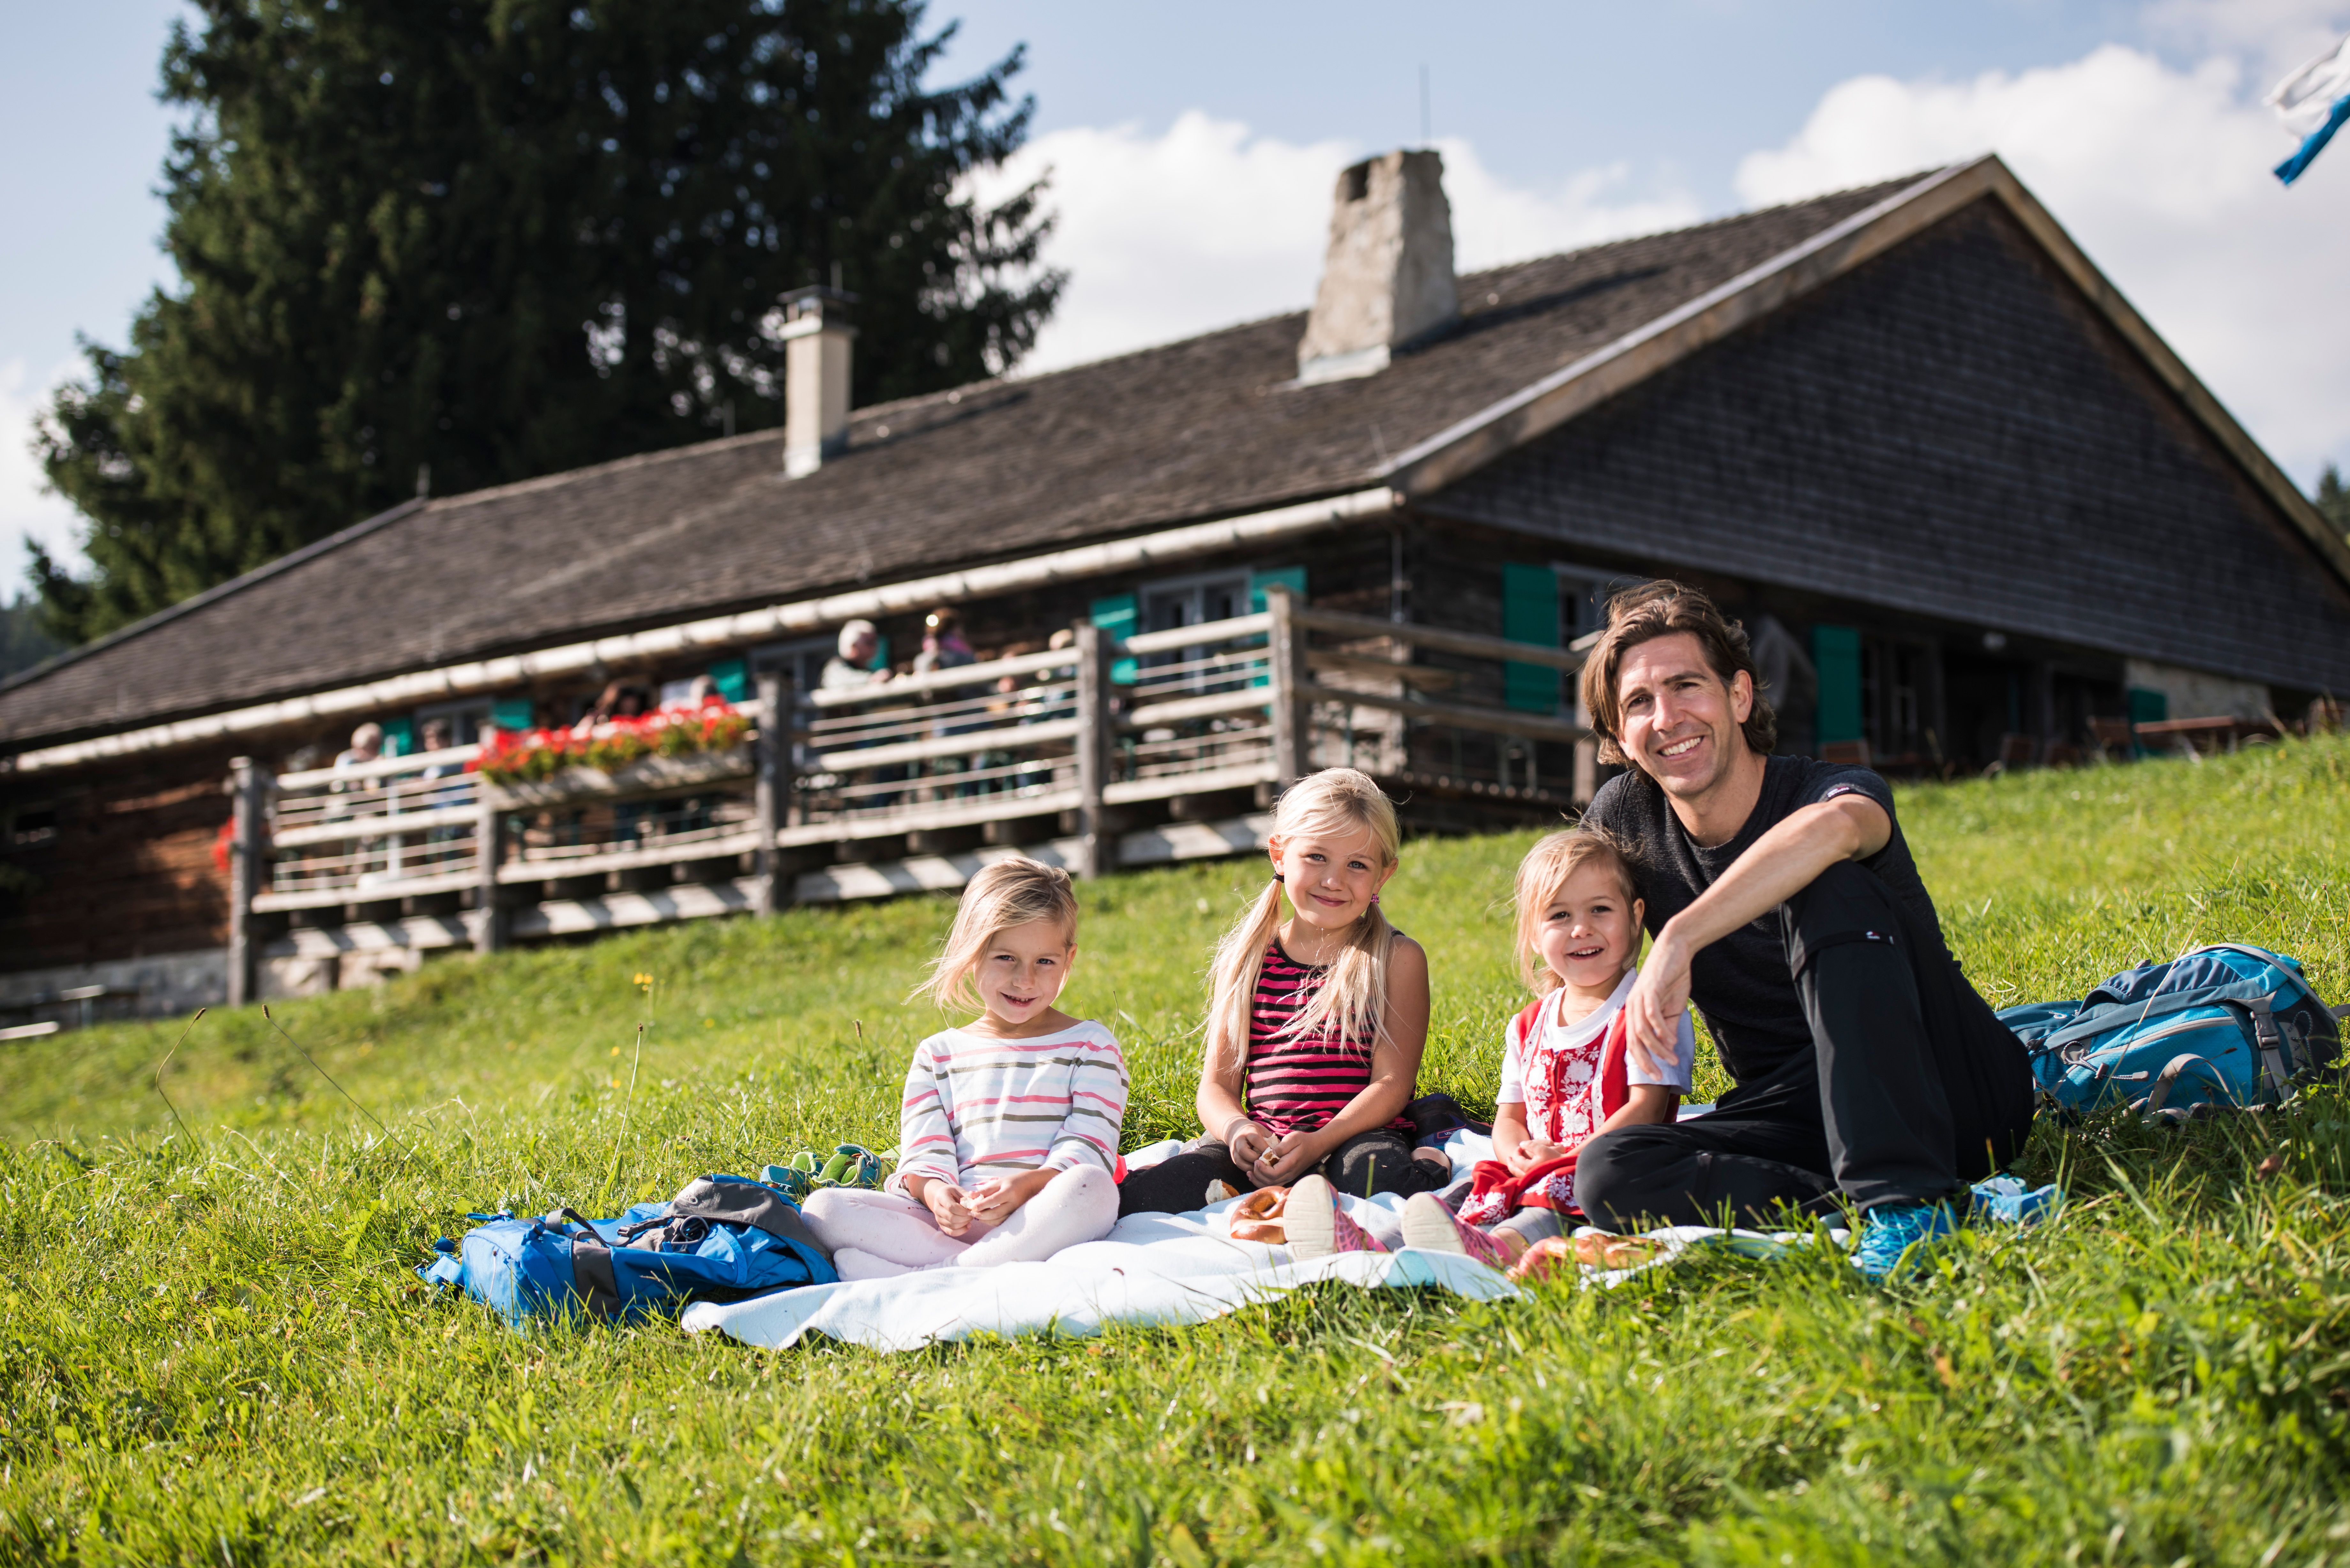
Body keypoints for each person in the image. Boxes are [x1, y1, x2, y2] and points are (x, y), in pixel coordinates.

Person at [1568, 581, 2032, 1279]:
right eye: (1638, 702)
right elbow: (1579, 931)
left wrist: (1681, 936)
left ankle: (1905, 1200)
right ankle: (1884, 1206)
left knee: (1831, 879)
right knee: (1607, 1173)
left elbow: (1840, 831)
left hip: (1946, 1081)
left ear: (1739, 696)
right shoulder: (1627, 815)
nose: (1665, 717)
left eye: (1685, 685)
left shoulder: (1830, 790)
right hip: (1796, 1106)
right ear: (1620, 736)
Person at [1115, 767, 1450, 1239]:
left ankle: (1433, 1156)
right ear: (1279, 854)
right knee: (1144, 1198)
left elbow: (1393, 1084)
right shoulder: (1249, 958)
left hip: (1351, 1136)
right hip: (1264, 1142)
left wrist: (1319, 1144)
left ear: (1384, 873)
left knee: (1380, 1181)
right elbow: (1216, 1086)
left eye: (1357, 865)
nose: (1334, 880)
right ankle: (1265, 1196)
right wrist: (1236, 1132)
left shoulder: (1395, 958)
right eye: (1316, 857)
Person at [799, 857, 1128, 1278]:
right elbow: (924, 1154)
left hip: (1045, 1217)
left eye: (1045, 962)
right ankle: (965, 1264)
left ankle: (944, 1272)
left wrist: (1025, 1187)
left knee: (1093, 1189)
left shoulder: (1090, 1044)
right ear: (971, 954)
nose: (1025, 980)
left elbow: (1091, 1145)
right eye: (1006, 957)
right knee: (824, 1210)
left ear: (1069, 959)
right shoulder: (938, 1055)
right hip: (951, 1226)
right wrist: (938, 1194)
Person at [1394, 827, 1694, 1269]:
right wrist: (1516, 1153)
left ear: (1635, 918)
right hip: (1536, 1167)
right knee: (1474, 1186)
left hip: (1609, 1167)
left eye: (1599, 909)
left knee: (1549, 1199)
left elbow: (1646, 1112)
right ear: (1534, 935)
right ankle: (1380, 1240)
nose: (1581, 929)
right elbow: (1510, 1119)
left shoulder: (1650, 1009)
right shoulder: (1528, 1026)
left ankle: (1499, 1250)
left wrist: (1567, 1158)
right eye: (1558, 916)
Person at [821, 620, 890, 692]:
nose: (875, 647)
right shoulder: (835, 666)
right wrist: (872, 679)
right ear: (853, 646)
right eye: (869, 642)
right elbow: (843, 681)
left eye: (875, 642)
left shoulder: (865, 669)